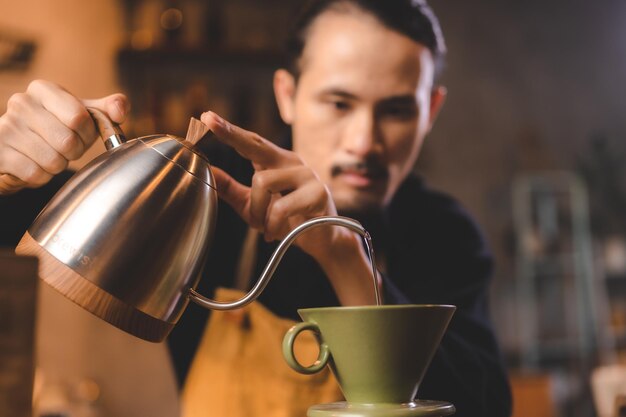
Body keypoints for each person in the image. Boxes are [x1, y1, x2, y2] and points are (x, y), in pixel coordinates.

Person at [0, 0, 512, 416]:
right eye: (339, 103)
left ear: (432, 111)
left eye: (398, 110)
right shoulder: (214, 187)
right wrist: (11, 167)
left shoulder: (445, 235)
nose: (364, 142)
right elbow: (20, 224)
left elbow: (482, 405)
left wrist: (340, 254)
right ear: (286, 96)